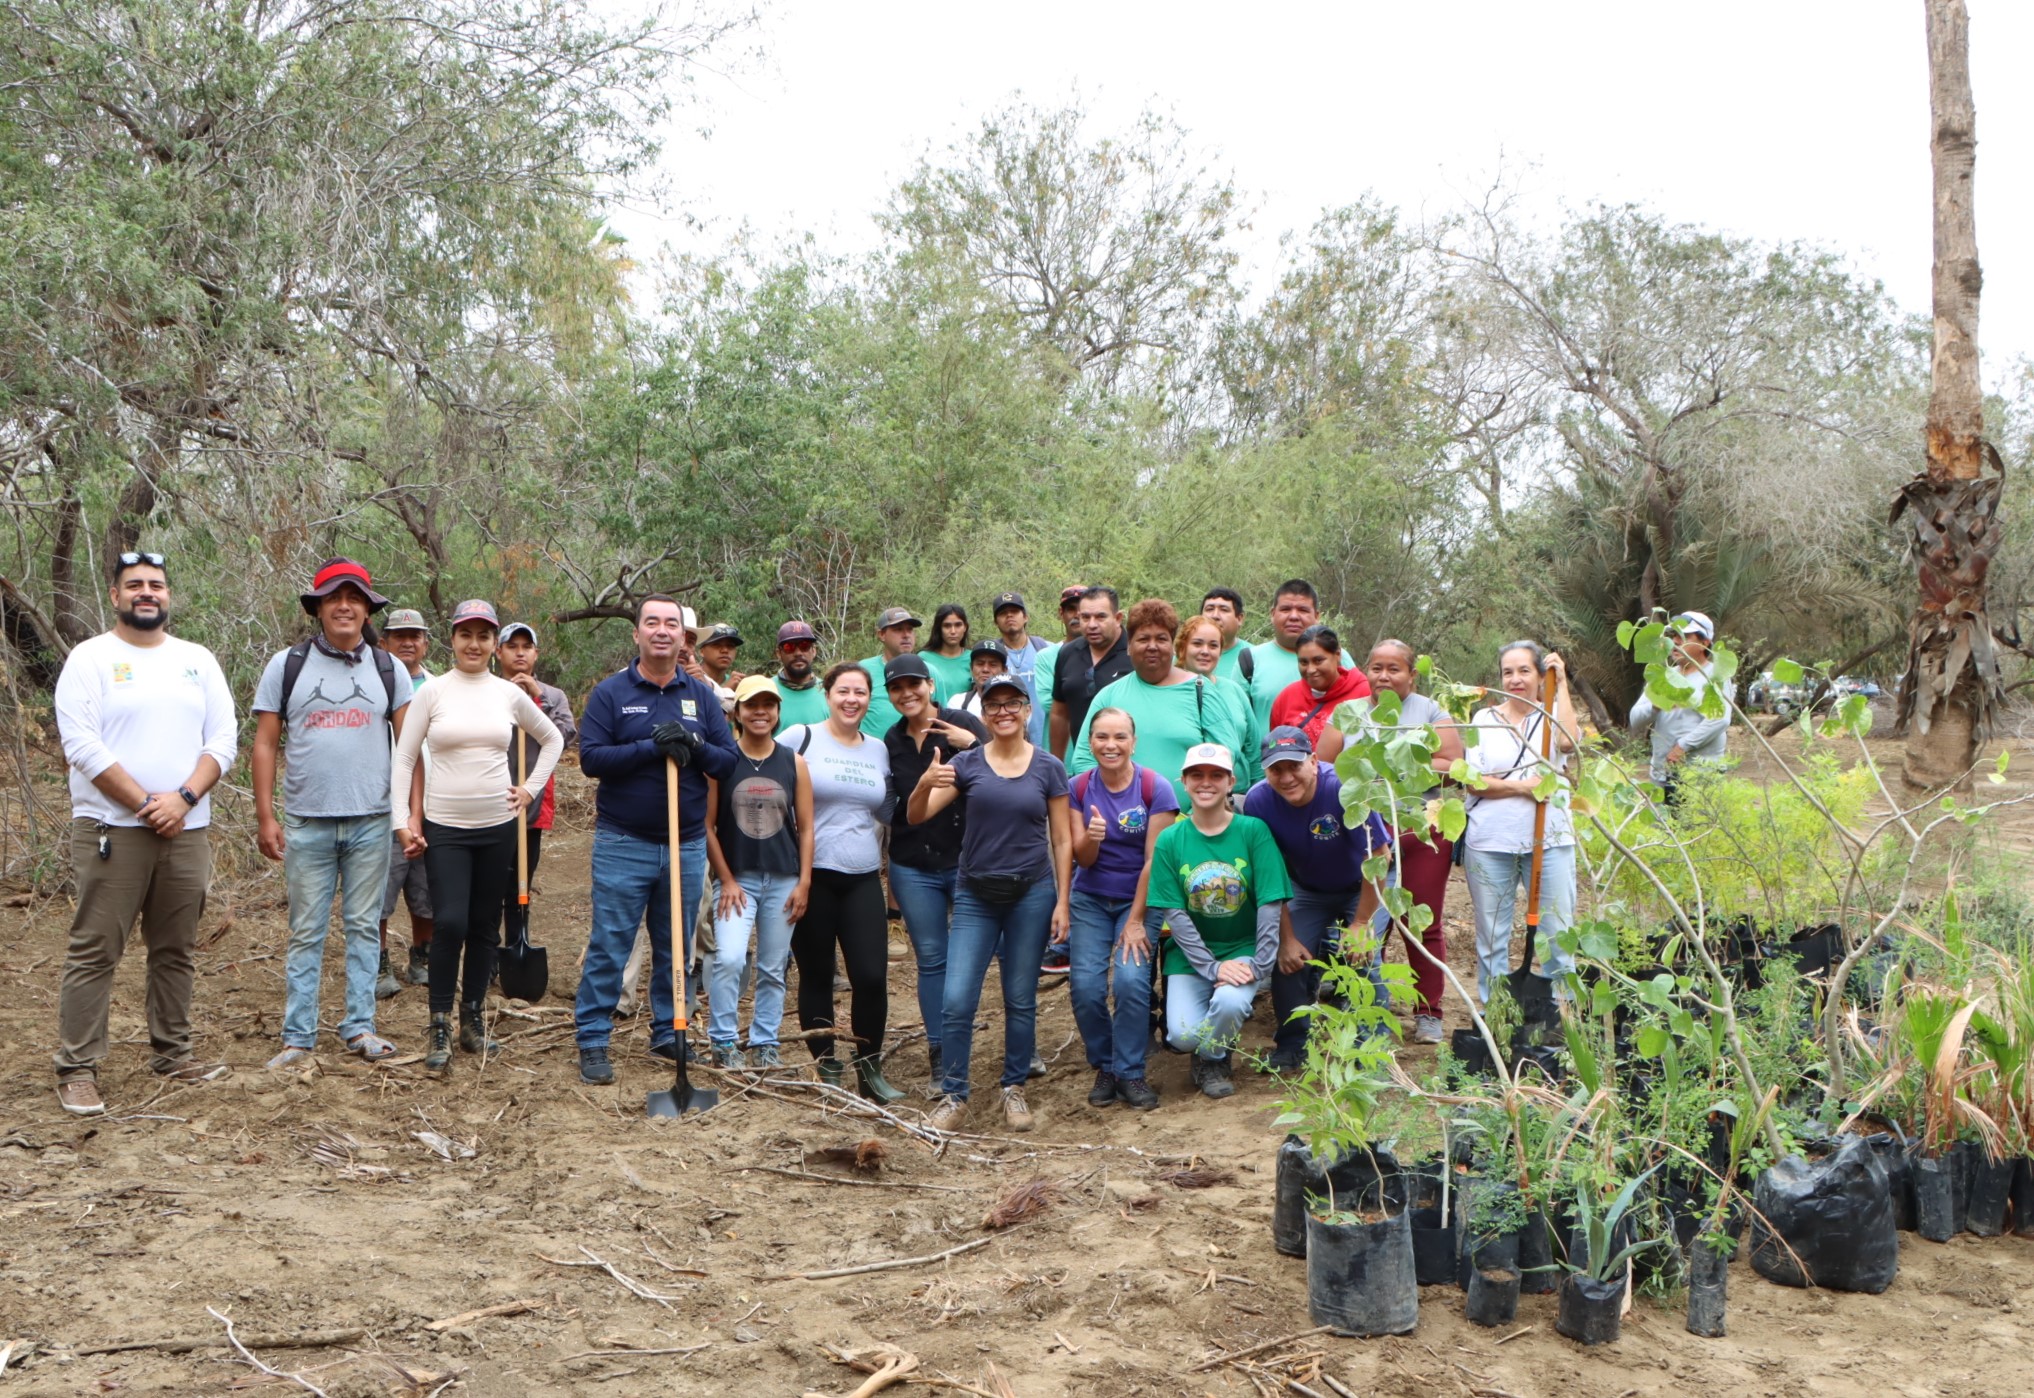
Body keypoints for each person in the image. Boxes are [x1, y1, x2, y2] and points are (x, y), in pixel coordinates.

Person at [50, 550, 236, 1115]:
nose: (146, 593)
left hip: (187, 828)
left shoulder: (197, 660)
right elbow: (82, 745)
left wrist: (183, 800)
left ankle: (173, 1052)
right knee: (95, 949)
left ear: (168, 595)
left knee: (175, 948)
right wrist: (144, 804)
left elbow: (223, 740)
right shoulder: (90, 659)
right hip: (113, 829)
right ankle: (78, 1068)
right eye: (134, 585)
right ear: (115, 596)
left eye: (156, 584)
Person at [252, 558, 413, 1069]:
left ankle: (360, 1027)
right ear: (318, 608)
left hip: (372, 821)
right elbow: (265, 743)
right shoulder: (287, 665)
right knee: (306, 930)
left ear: (368, 609)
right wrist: (266, 817)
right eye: (334, 598)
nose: (344, 606)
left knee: (364, 926)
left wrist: (410, 815)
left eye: (354, 598)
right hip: (307, 822)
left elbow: (410, 748)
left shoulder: (389, 669)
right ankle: (298, 1037)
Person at [390, 600, 563, 1075]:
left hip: (497, 826)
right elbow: (405, 757)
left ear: (492, 643)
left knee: (485, 925)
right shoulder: (433, 691)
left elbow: (553, 739)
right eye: (466, 634)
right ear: (452, 639)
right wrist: (402, 819)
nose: (474, 644)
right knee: (449, 922)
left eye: (483, 636)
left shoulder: (507, 694)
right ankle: (439, 1023)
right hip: (445, 826)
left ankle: (472, 1018)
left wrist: (529, 790)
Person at [571, 595, 738, 1085]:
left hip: (685, 845)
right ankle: (594, 1037)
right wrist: (650, 747)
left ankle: (669, 1030)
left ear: (684, 637)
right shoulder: (610, 693)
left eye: (671, 624)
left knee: (676, 946)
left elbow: (727, 762)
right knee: (611, 943)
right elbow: (591, 759)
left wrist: (694, 744)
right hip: (623, 843)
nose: (662, 631)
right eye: (652, 623)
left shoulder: (701, 697)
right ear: (637, 633)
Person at [910, 672, 1071, 1132]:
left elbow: (1061, 839)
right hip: (976, 895)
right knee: (957, 999)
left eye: (1012, 703)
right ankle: (954, 1094)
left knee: (1020, 997)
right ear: (983, 714)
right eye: (994, 705)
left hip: (1032, 893)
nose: (1003, 712)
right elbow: (917, 815)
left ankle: (1013, 1087)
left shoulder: (1048, 767)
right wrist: (924, 783)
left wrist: (1063, 901)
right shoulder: (967, 764)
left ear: (1027, 710)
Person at [780, 664, 900, 1099]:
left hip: (862, 876)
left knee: (870, 977)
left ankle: (869, 1068)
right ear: (827, 695)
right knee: (816, 975)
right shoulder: (801, 738)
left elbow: (887, 810)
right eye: (843, 691)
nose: (852, 700)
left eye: (860, 692)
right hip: (810, 876)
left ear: (869, 698)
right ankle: (826, 1066)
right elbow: (759, 774)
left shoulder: (878, 750)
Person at [1144, 744, 1291, 1099]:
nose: (1206, 782)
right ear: (1183, 781)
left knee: (1230, 1003)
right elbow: (1175, 915)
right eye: (1197, 775)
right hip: (1191, 954)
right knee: (1181, 1036)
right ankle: (1209, 1041)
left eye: (1216, 775)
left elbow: (1270, 902)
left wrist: (1259, 965)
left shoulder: (1253, 831)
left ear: (1231, 782)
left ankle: (1212, 1059)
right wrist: (1212, 967)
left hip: (1242, 947)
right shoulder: (1170, 839)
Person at [1244, 727, 1391, 1073]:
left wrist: (1361, 923)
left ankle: (1371, 1048)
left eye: (1294, 766)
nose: (1286, 777)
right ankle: (1293, 1044)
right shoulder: (1258, 802)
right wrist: (1286, 937)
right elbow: (1268, 873)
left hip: (1363, 882)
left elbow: (1379, 857)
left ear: (1313, 761)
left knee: (1362, 955)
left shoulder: (1344, 789)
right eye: (1276, 769)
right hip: (1305, 887)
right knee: (1289, 960)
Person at [880, 654, 987, 1092]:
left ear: (929, 685)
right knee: (932, 959)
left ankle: (999, 1045)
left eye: (914, 684)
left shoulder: (961, 723)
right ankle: (940, 1051)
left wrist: (972, 742)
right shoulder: (891, 740)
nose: (907, 693)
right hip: (913, 863)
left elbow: (1004, 765)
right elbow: (890, 802)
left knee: (972, 958)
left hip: (965, 860)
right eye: (897, 687)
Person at [1065, 706, 1177, 1110]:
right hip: (1090, 899)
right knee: (1086, 988)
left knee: (1130, 982)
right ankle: (1106, 1066)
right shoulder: (1078, 787)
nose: (1110, 745)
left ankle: (1130, 1071)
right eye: (1101, 737)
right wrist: (1092, 837)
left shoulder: (1155, 788)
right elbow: (1082, 859)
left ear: (1133, 742)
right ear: (1090, 741)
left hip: (1139, 899)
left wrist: (1136, 921)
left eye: (1119, 737)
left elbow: (1154, 861)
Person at [702, 676, 814, 1070]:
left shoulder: (793, 762)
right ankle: (723, 1041)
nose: (760, 712)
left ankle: (765, 1042)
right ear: (738, 712)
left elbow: (806, 827)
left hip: (784, 879)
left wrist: (804, 882)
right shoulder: (722, 762)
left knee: (773, 967)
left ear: (778, 711)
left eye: (768, 705)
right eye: (752, 705)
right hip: (738, 879)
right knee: (730, 959)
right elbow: (707, 826)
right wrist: (727, 879)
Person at [1463, 641, 1579, 1002]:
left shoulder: (1552, 717)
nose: (1515, 679)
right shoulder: (1483, 720)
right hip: (1490, 843)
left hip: (1550, 841)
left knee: (1557, 932)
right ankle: (1496, 1013)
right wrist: (1524, 787)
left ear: (1540, 675)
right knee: (1491, 937)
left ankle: (1562, 1015)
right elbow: (1474, 781)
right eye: (1507, 672)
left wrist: (1561, 685)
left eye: (1524, 671)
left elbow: (1568, 743)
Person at [1364, 640, 1463, 1042]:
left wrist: (1396, 765)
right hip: (1369, 831)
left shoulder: (1431, 712)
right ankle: (1371, 1009)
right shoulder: (1354, 712)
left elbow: (1452, 766)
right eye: (1376, 668)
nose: (1384, 676)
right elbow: (1330, 765)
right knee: (1369, 923)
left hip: (1422, 829)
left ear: (1411, 675)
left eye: (1394, 669)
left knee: (1422, 923)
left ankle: (1429, 1013)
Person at [1068, 599, 1255, 804]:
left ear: (1172, 646)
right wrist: (1111, 805)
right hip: (1122, 820)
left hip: (1191, 819)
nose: (1152, 646)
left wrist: (1198, 813)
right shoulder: (1109, 696)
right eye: (1143, 639)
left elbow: (1225, 754)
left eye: (1161, 639)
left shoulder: (1201, 691)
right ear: (1129, 646)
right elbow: (1084, 759)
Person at [496, 622, 578, 973]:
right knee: (491, 882)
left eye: (526, 647)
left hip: (533, 801)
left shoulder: (553, 696)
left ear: (536, 654)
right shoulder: (487, 690)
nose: (519, 653)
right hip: (491, 800)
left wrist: (536, 699)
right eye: (511, 646)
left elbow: (564, 736)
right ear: (498, 652)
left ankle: (518, 942)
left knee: (521, 881)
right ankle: (488, 953)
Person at [379, 607, 436, 993]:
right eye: (399, 636)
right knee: (380, 893)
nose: (407, 642)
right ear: (384, 643)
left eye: (414, 636)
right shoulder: (374, 685)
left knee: (427, 890)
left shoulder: (439, 688)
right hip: (383, 809)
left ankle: (422, 958)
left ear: (425, 644)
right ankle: (378, 963)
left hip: (434, 807)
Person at [1628, 609, 1729, 801]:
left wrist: (1683, 747)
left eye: (1684, 636)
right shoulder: (1664, 675)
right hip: (1661, 773)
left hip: (1700, 774)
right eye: (1674, 635)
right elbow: (1635, 719)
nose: (1675, 641)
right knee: (1662, 820)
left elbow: (1720, 720)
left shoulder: (1715, 675)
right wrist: (1656, 705)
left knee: (1697, 819)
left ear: (1704, 642)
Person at [1245, 580, 1349, 737]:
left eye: (1303, 610)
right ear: (1272, 614)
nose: (1294, 616)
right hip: (1270, 752)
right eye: (1285, 609)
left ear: (1317, 616)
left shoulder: (1339, 657)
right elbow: (1238, 720)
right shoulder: (1249, 660)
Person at [1049, 586, 1131, 759]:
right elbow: (1059, 713)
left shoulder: (1135, 653)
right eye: (1085, 617)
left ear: (1118, 618)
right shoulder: (1067, 653)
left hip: (1129, 764)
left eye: (1101, 617)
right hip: (1083, 764)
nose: (1092, 625)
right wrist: (1056, 764)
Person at [1269, 623, 1373, 760]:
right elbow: (1274, 751)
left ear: (1337, 655)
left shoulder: (1364, 693)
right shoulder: (1287, 697)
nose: (1311, 670)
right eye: (1303, 662)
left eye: (1318, 661)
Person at [990, 591, 1052, 744]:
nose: (1009, 616)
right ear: (996, 622)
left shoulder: (1047, 651)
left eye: (1015, 611)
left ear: (1025, 617)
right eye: (1003, 613)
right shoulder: (991, 657)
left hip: (1046, 740)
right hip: (1007, 741)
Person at [857, 606, 925, 740]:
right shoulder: (863, 670)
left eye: (910, 629)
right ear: (881, 634)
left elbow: (940, 715)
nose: (906, 635)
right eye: (898, 629)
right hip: (872, 750)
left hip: (917, 750)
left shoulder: (927, 671)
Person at [1034, 585, 1085, 747]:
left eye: (1082, 609)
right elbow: (1047, 702)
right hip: (1060, 750)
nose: (1077, 615)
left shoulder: (1104, 654)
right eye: (1071, 609)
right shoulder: (1046, 657)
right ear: (1061, 613)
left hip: (1095, 748)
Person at [770, 620, 829, 730]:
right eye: (789, 647)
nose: (798, 653)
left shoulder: (828, 691)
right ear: (779, 653)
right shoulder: (766, 690)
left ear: (814, 651)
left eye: (804, 646)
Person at [1201, 587, 1254, 686]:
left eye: (1224, 610)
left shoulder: (1253, 657)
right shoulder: (1182, 656)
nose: (1215, 616)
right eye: (1209, 609)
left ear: (1239, 619)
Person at [923, 603, 974, 698]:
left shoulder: (974, 658)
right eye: (947, 626)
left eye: (958, 625)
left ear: (965, 627)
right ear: (939, 628)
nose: (953, 631)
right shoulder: (924, 658)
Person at [953, 636, 1010, 719]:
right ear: (971, 668)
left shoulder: (1014, 704)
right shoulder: (957, 703)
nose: (985, 669)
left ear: (1004, 670)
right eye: (980, 664)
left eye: (993, 665)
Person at [694, 622, 746, 712]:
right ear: (701, 651)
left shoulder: (738, 685)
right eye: (716, 645)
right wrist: (726, 691)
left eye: (730, 646)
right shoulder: (692, 679)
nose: (725, 650)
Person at [1178, 613, 1227, 679]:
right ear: (1182, 648)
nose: (1205, 651)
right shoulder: (1167, 684)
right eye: (1197, 644)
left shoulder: (1231, 686)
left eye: (1213, 645)